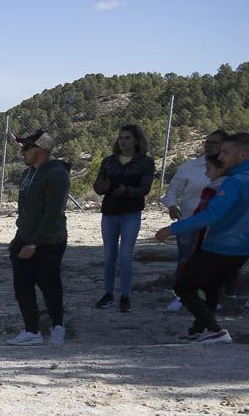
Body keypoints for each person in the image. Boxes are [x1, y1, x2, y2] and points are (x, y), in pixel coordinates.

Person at [154, 133, 249, 344]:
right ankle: (198, 329)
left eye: (225, 152)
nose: (220, 156)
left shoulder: (235, 182)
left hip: (219, 246)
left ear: (243, 154)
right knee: (211, 288)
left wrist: (173, 229)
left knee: (183, 286)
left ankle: (216, 330)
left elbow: (211, 215)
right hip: (241, 251)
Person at [6, 130, 70, 346]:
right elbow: (24, 209)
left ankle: (58, 327)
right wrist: (19, 238)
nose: (22, 152)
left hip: (49, 241)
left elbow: (53, 212)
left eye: (27, 148)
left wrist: (35, 243)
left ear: (41, 150)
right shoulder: (27, 174)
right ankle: (31, 330)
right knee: (21, 285)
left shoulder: (57, 174)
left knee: (50, 284)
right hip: (24, 238)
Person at [160, 130, 230, 311]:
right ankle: (180, 296)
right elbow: (173, 189)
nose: (209, 146)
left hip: (217, 225)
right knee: (185, 260)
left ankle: (211, 298)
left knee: (213, 263)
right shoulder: (190, 166)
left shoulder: (232, 169)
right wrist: (172, 205)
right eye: (207, 142)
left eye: (214, 143)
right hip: (189, 221)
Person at [93, 125, 155, 312]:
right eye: (121, 138)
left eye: (127, 138)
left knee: (126, 256)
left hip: (131, 212)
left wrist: (127, 190)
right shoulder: (108, 161)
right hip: (110, 211)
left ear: (136, 140)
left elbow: (145, 188)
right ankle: (108, 293)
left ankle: (125, 295)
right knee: (110, 255)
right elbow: (97, 186)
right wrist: (102, 187)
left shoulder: (145, 162)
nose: (123, 141)